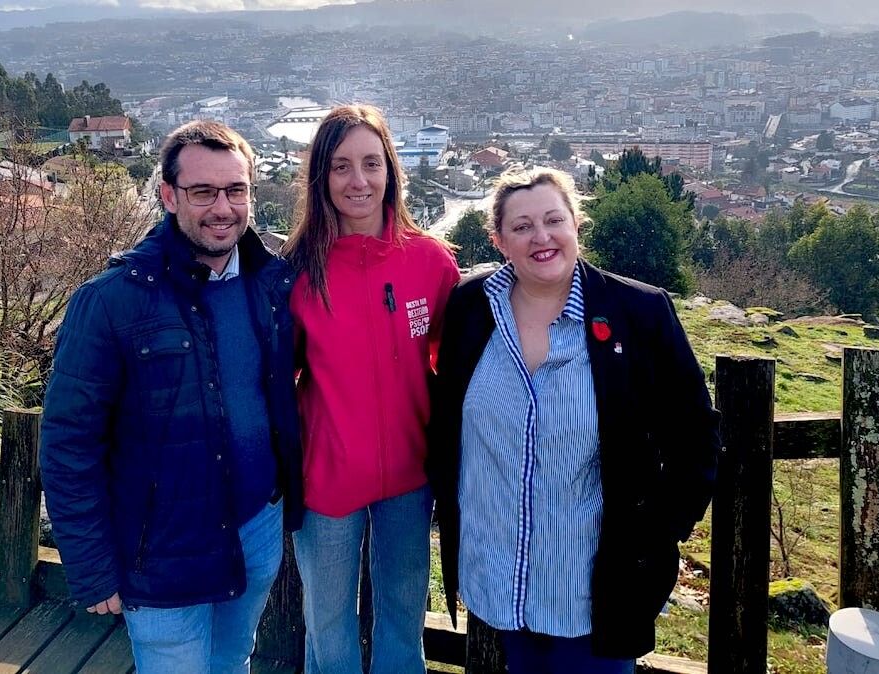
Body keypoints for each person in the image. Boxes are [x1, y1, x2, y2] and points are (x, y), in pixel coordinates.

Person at [427, 168, 720, 674]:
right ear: (499, 241)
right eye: (521, 227)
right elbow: (448, 419)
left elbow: (696, 436)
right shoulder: (472, 308)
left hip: (595, 589)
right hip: (501, 580)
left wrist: (659, 532)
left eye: (552, 220)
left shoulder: (639, 313)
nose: (541, 237)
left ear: (576, 224)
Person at [39, 119, 303, 674]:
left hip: (256, 527)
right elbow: (68, 442)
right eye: (203, 192)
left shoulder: (270, 284)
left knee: (234, 660)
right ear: (167, 195)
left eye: (236, 190)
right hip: (162, 548)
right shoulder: (111, 301)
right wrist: (90, 566)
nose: (222, 207)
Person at [284, 104, 460, 674]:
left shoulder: (431, 263)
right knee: (328, 625)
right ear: (321, 178)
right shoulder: (296, 272)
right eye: (341, 166)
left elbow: (453, 366)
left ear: (391, 170)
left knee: (404, 617)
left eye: (370, 163)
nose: (358, 181)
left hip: (410, 479)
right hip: (327, 479)